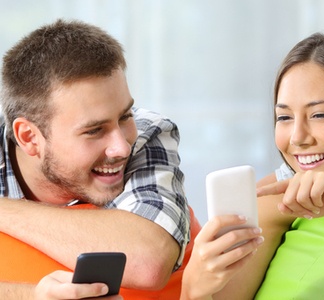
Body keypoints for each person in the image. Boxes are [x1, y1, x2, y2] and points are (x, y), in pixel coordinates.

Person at [181, 32, 324, 299]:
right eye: (284, 117)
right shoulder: (279, 197)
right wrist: (195, 287)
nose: (297, 137)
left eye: (320, 114)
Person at [0, 19, 195, 299]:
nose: (122, 148)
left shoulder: (148, 132)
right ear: (30, 138)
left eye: (125, 116)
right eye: (93, 131)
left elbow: (148, 260)